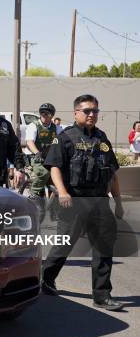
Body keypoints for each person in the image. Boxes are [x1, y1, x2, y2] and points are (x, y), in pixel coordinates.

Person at [42, 94, 124, 311]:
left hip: (99, 201)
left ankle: (102, 295)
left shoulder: (102, 138)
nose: (91, 115)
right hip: (74, 200)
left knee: (104, 247)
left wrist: (119, 202)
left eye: (95, 111)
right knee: (64, 244)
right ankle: (46, 278)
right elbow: (55, 167)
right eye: (87, 111)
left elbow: (112, 172)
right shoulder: (65, 137)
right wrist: (62, 192)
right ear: (76, 113)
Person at [25, 103, 60, 214]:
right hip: (34, 156)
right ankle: (33, 194)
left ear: (52, 115)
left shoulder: (56, 128)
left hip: (49, 157)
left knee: (59, 175)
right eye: (42, 113)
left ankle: (55, 209)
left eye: (47, 113)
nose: (44, 115)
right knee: (43, 173)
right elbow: (29, 142)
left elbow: (62, 142)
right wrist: (37, 152)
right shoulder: (33, 125)